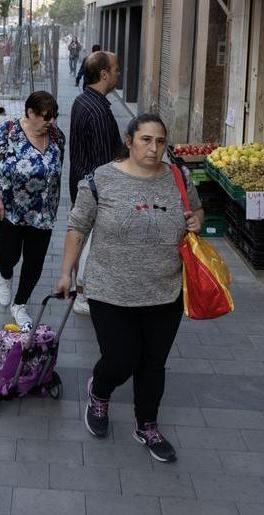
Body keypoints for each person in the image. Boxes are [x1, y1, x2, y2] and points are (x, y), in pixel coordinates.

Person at [55, 113, 203, 463]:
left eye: (161, 141)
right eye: (146, 140)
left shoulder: (179, 177)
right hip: (111, 290)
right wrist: (65, 273)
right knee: (120, 359)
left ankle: (147, 424)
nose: (154, 148)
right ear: (129, 140)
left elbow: (196, 212)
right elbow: (77, 228)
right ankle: (100, 392)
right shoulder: (100, 181)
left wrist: (198, 219)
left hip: (165, 290)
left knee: (153, 363)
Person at [0, 91, 65, 328]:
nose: (50, 122)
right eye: (46, 117)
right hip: (9, 209)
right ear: (30, 113)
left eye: (54, 117)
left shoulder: (57, 136)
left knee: (34, 262)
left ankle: (20, 305)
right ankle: (5, 275)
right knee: (7, 256)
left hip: (43, 213)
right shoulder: (7, 132)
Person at [67, 50, 124, 316]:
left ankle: (83, 293)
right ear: (104, 74)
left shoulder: (83, 100)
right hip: (93, 188)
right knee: (91, 241)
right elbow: (104, 164)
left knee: (83, 239)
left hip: (79, 180)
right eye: (116, 69)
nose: (118, 73)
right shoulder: (99, 112)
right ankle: (83, 296)